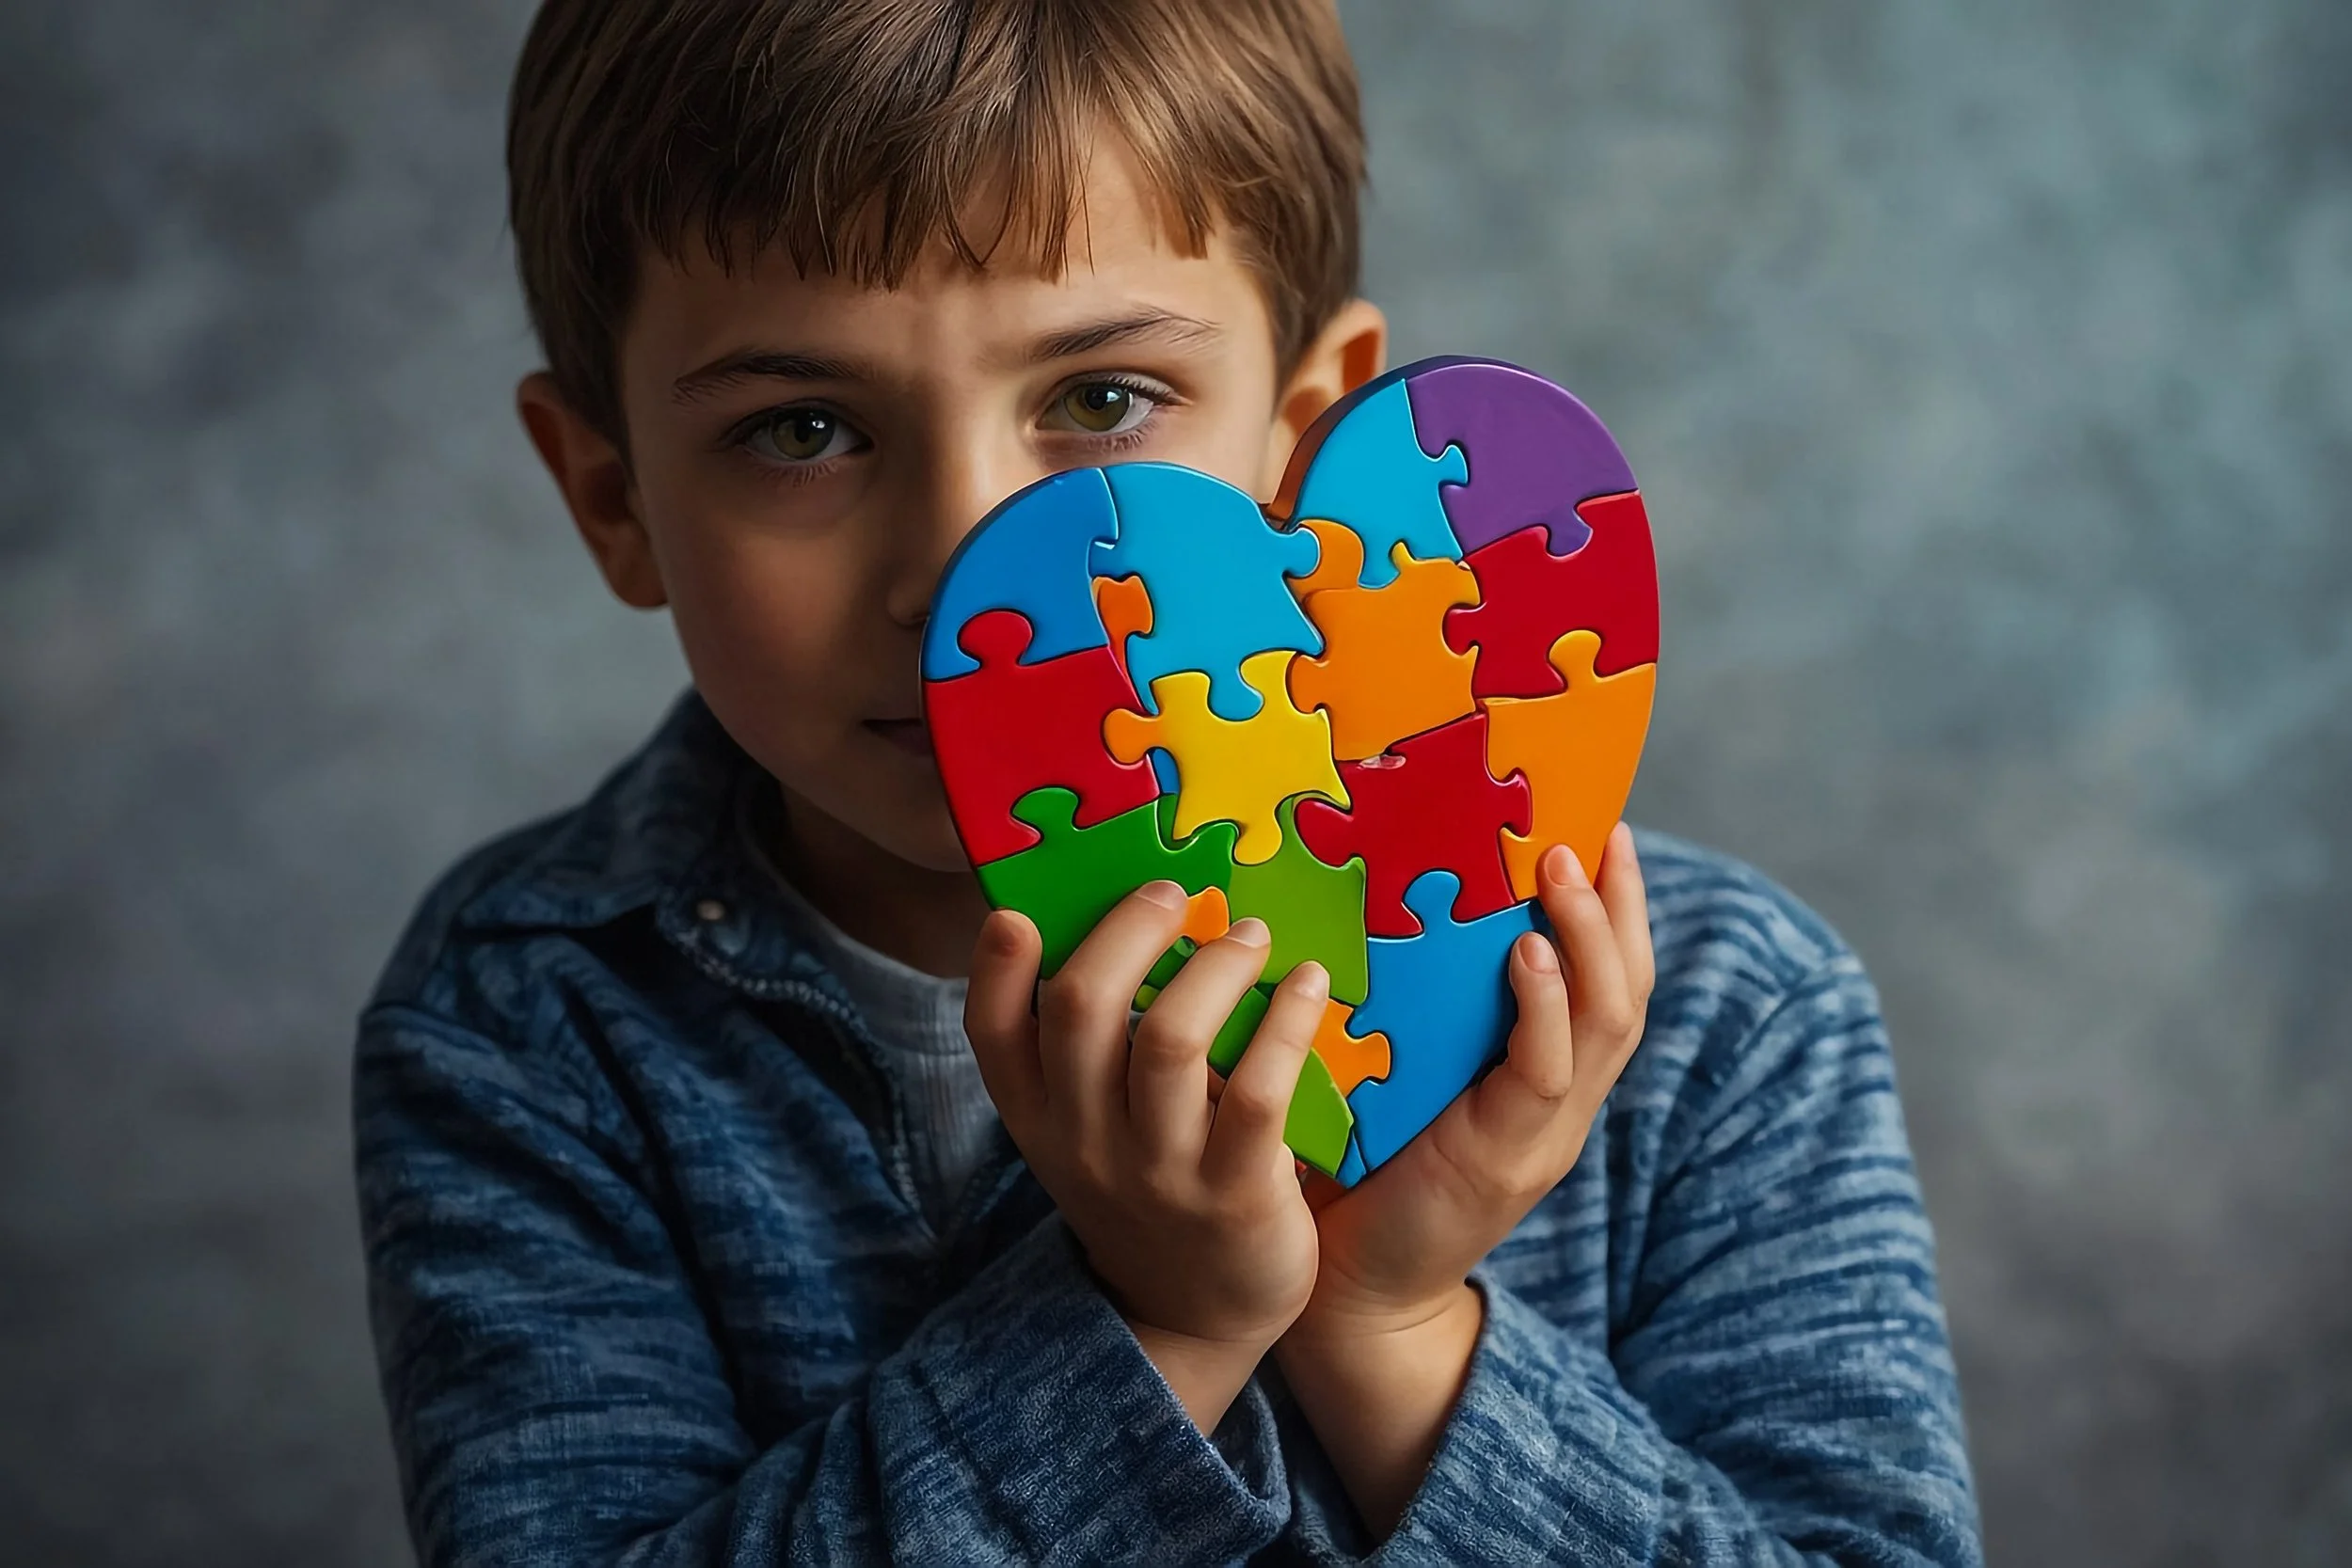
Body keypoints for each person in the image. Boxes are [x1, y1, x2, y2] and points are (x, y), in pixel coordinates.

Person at [355, 2, 1983, 1561]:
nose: (960, 566)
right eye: (802, 431)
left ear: (1302, 439)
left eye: (1101, 402)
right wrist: (1155, 1320)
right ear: (611, 497)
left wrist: (1386, 1322)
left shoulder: (1720, 1014)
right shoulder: (526, 1023)